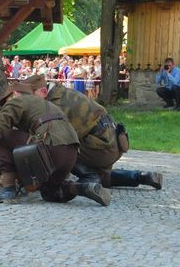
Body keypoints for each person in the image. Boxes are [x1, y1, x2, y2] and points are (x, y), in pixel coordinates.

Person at [0, 83, 111, 206]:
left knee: (5, 137)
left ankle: (7, 189)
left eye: (6, 101)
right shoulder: (47, 105)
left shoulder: (18, 100)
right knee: (49, 192)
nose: (5, 105)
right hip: (72, 153)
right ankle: (82, 187)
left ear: (15, 93)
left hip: (51, 146)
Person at [25, 74, 163, 190]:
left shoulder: (56, 105)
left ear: (43, 92)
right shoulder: (63, 93)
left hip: (101, 145)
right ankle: (143, 176)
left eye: (30, 96)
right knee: (105, 178)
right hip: (112, 142)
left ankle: (89, 176)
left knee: (59, 148)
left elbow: (57, 140)